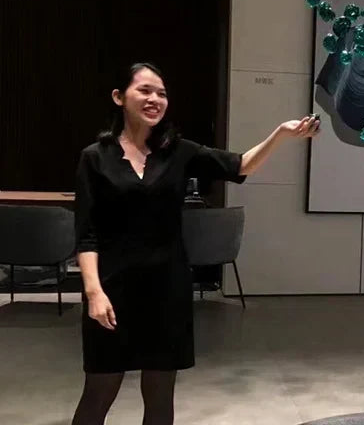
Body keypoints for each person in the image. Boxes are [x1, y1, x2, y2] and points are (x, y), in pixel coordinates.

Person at [71, 62, 319, 425]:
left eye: (161, 93)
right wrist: (94, 292)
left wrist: (280, 134)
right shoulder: (94, 157)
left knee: (160, 396)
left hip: (166, 289)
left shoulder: (178, 151)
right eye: (145, 90)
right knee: (99, 392)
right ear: (119, 97)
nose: (155, 99)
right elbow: (87, 233)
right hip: (111, 289)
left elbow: (240, 165)